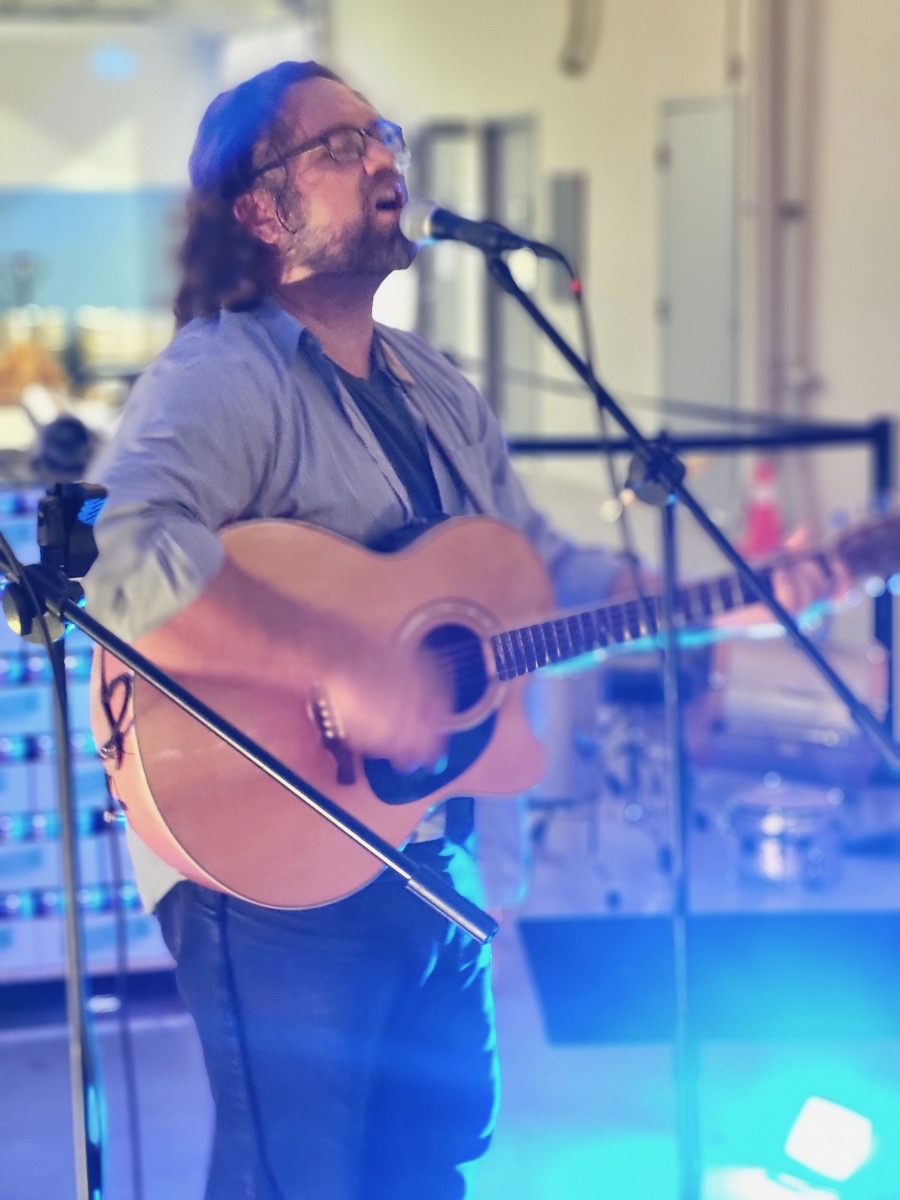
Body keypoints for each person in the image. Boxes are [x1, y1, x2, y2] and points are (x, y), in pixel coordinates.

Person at [83, 60, 837, 1200]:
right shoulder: (224, 376)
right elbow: (122, 558)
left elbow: (541, 573)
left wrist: (727, 591)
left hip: (437, 841)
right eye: (340, 147)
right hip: (276, 856)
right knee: (302, 1178)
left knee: (431, 1165)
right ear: (259, 209)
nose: (385, 159)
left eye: (381, 135)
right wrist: (339, 658)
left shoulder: (437, 387)